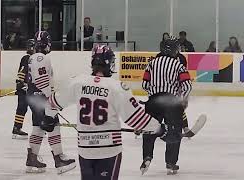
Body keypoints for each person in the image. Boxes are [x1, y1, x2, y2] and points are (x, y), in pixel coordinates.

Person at [43, 44, 181, 180]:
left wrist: (48, 118)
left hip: (85, 149)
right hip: (108, 149)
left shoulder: (77, 82)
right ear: (110, 63)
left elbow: (53, 102)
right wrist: (159, 128)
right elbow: (135, 118)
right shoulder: (117, 87)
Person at [25, 31, 76, 174]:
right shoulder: (41, 57)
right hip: (40, 96)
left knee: (39, 127)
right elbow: (41, 80)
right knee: (53, 124)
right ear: (46, 43)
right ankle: (59, 159)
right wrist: (52, 99)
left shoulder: (33, 57)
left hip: (33, 96)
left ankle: (32, 158)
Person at [141, 36, 192, 175]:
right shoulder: (178, 65)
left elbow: (144, 84)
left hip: (153, 101)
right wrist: (182, 99)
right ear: (175, 50)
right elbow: (187, 85)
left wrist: (154, 92)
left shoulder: (151, 63)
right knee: (174, 132)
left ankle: (147, 157)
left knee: (149, 129)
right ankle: (171, 163)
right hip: (171, 102)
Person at [11, 39, 35, 139]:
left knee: (33, 108)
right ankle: (17, 128)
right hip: (25, 88)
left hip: (29, 87)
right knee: (23, 107)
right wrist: (21, 83)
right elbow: (22, 71)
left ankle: (38, 127)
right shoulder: (27, 58)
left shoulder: (34, 58)